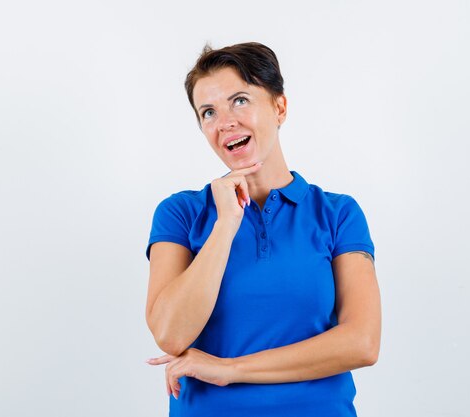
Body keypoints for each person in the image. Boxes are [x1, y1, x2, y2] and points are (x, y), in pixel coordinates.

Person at [144, 42, 381, 417]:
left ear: (279, 107)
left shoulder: (338, 214)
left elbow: (362, 343)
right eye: (208, 112)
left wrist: (229, 369)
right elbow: (171, 334)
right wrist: (225, 225)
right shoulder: (181, 213)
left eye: (239, 100)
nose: (225, 122)